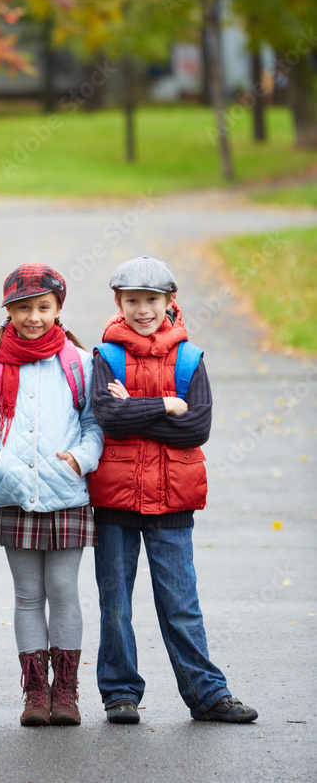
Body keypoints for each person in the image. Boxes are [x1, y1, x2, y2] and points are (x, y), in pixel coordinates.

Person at [89, 255, 258, 725]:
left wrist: (136, 413)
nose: (143, 310)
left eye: (152, 300)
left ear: (170, 302)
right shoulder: (106, 358)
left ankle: (207, 695)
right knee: (116, 606)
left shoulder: (190, 358)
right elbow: (108, 418)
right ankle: (120, 693)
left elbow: (197, 428)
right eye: (132, 301)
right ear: (119, 303)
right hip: (115, 502)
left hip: (172, 503)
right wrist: (166, 405)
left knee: (181, 606)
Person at [0, 263, 104, 727]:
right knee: (28, 596)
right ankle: (35, 694)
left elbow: (94, 424)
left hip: (67, 492)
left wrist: (80, 459)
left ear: (58, 308)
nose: (33, 317)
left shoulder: (79, 362)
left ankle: (65, 693)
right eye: (23, 308)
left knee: (64, 592)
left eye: (43, 307)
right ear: (8, 310)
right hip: (14, 492)